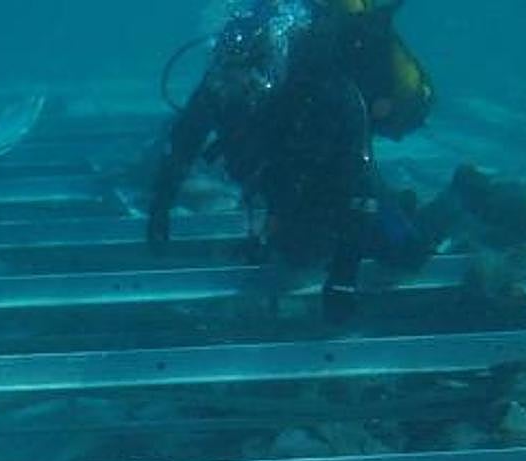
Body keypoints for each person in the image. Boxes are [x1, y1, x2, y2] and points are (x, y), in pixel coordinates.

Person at [147, 0, 434, 323]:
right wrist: (160, 205)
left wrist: (343, 278)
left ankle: (453, 203)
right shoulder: (221, 83)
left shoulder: (329, 93)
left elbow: (359, 186)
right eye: (228, 75)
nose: (235, 87)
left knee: (409, 254)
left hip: (333, 183)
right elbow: (186, 139)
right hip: (287, 184)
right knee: (299, 256)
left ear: (267, 67)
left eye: (244, 78)